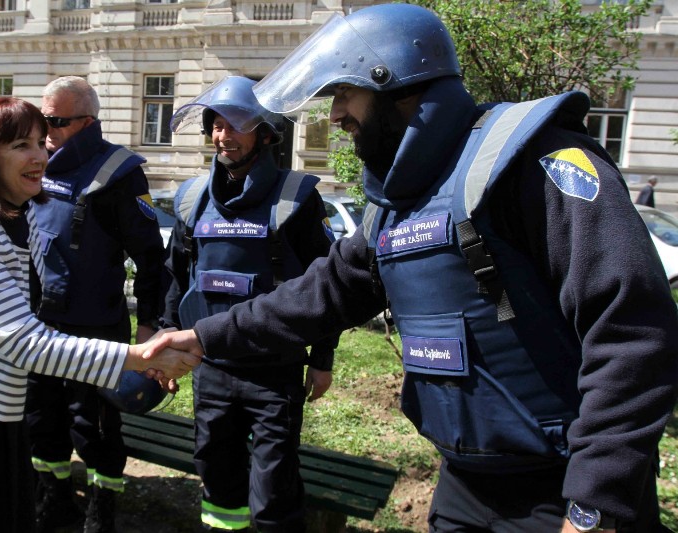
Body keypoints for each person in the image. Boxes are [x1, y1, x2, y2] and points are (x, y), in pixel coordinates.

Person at [147, 5, 678, 532]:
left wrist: (594, 505)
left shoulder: (535, 160)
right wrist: (202, 336)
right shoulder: (396, 204)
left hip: (563, 494)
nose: (336, 116)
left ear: (396, 84)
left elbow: (633, 331)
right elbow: (320, 295)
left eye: (345, 94)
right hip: (464, 484)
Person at [0, 96, 198, 533]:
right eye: (20, 146)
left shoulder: (8, 212)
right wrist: (141, 358)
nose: (40, 156)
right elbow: (25, 343)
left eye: (39, 141)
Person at [163, 75, 338, 532]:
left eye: (237, 125)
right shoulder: (192, 200)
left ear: (264, 134)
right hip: (211, 366)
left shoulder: (297, 199)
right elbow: (176, 277)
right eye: (217, 125)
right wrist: (167, 339)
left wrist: (322, 360)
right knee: (217, 473)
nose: (224, 136)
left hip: (274, 370)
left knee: (274, 487)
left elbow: (327, 286)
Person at [23, 76, 165, 533]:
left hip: (97, 328)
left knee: (95, 426)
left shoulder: (118, 173)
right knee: (42, 420)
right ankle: (54, 498)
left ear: (87, 122)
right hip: (40, 326)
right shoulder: (35, 164)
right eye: (42, 118)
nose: (45, 130)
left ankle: (102, 508)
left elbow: (151, 259)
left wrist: (149, 326)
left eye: (55, 121)